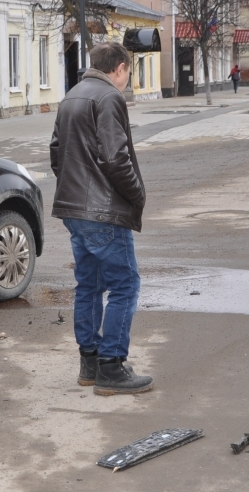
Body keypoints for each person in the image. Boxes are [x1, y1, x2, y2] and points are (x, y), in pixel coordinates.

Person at [49, 42, 152, 396]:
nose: (127, 80)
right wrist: (137, 194)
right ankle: (112, 366)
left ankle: (90, 364)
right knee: (125, 285)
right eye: (129, 73)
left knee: (89, 286)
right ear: (120, 68)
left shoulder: (72, 96)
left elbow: (56, 153)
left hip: (74, 209)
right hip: (104, 212)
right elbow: (115, 158)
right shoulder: (109, 98)